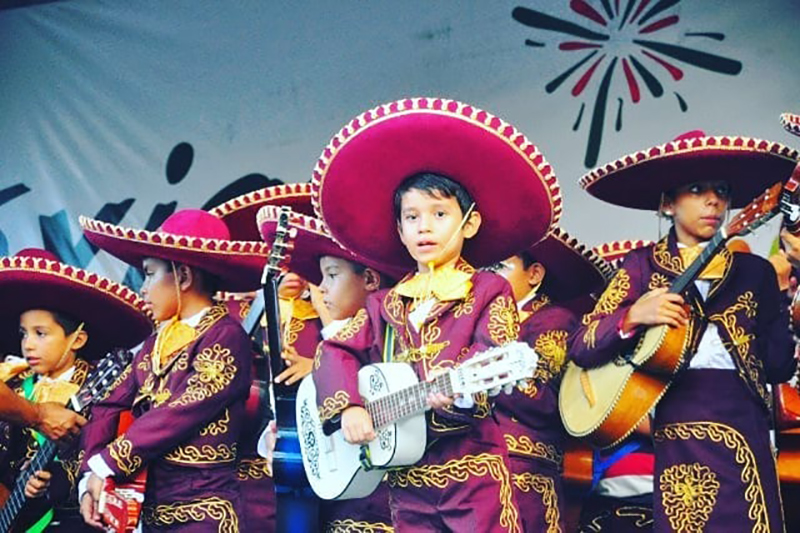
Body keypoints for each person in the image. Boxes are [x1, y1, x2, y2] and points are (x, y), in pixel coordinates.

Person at [311, 97, 562, 532]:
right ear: (400, 229)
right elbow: (332, 351)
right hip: (405, 479)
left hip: (473, 474)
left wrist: (458, 389)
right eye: (412, 217)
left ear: (470, 223)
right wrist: (349, 408)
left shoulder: (488, 289)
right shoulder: (383, 303)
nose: (424, 227)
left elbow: (495, 354)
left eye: (439, 214)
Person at [570, 130, 798, 531]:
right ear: (668, 203)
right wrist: (633, 315)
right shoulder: (640, 265)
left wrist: (788, 281)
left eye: (722, 191)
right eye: (697, 189)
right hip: (679, 423)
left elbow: (778, 366)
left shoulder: (755, 272)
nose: (714, 201)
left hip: (746, 424)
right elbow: (581, 345)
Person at [77, 209, 268, 531]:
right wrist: (88, 477)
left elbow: (182, 409)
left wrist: (107, 463)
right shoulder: (155, 343)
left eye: (150, 274)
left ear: (183, 276)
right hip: (149, 510)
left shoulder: (226, 336)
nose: (143, 289)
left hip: (205, 510)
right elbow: (111, 403)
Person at [258, 204, 405, 532]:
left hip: (390, 502)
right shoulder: (329, 339)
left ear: (369, 279)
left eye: (331, 276)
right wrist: (287, 434)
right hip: (337, 497)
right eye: (319, 278)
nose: (320, 288)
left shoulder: (393, 329)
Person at [0, 248, 152, 531]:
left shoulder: (97, 386)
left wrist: (57, 479)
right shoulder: (12, 387)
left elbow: (105, 451)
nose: (28, 344)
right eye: (23, 334)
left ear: (77, 339)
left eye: (40, 333)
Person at [491, 227, 612, 532]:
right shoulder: (473, 316)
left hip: (522, 461)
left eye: (498, 267)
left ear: (534, 274)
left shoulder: (554, 320)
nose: (486, 278)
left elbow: (539, 399)